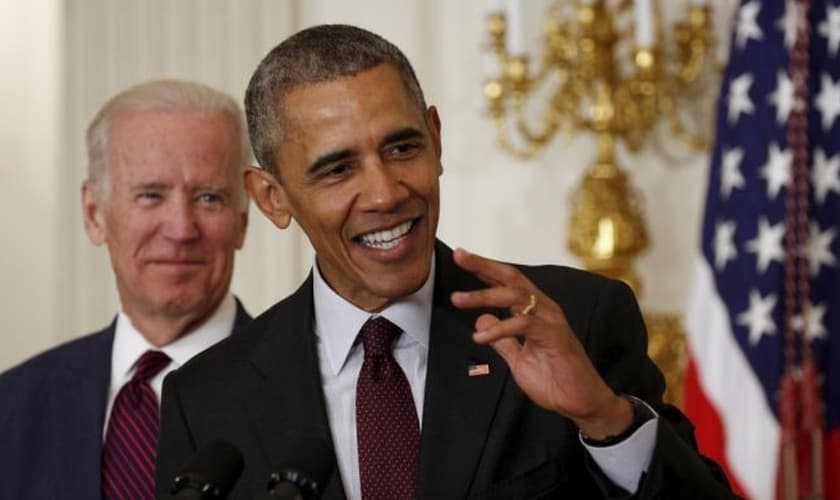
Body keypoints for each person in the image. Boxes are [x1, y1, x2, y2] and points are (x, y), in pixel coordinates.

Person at [156, 26, 735, 499]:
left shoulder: (572, 319)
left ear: (435, 138)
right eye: (338, 169)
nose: (385, 193)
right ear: (271, 197)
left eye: (402, 147)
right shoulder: (207, 399)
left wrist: (605, 420)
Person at [0, 79, 252, 499]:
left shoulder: (310, 394)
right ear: (93, 212)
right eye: (151, 196)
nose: (180, 229)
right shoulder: (11, 408)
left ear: (243, 218)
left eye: (209, 198)